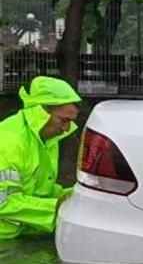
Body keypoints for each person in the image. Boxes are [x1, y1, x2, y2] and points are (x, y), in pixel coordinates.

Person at [0, 76, 82, 240]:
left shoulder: (45, 139)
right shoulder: (9, 140)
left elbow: (42, 191)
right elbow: (3, 202)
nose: (66, 129)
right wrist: (56, 206)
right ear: (43, 112)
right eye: (64, 120)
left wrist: (77, 195)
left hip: (19, 235)